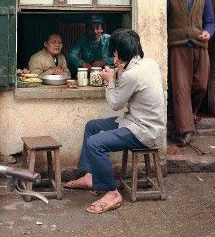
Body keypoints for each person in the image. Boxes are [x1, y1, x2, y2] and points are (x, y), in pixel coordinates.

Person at [63, 28, 165, 214]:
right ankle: (90, 176)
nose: (113, 57)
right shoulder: (149, 64)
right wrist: (119, 71)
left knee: (95, 143)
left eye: (115, 53)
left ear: (122, 52)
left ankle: (111, 192)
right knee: (92, 126)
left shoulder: (132, 75)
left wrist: (110, 79)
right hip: (136, 121)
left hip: (143, 131)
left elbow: (115, 103)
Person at [167, 0, 215, 146]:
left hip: (200, 46)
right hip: (178, 47)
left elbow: (210, 22)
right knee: (181, 88)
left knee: (201, 84)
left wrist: (208, 32)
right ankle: (185, 129)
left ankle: (190, 115)